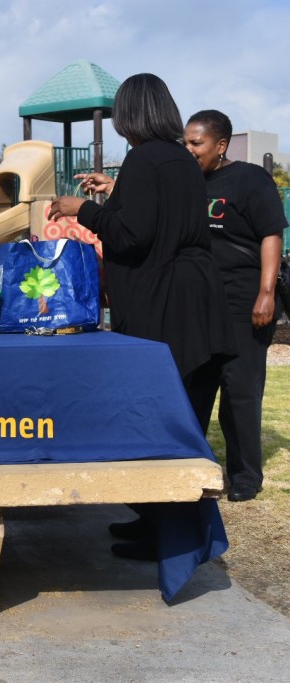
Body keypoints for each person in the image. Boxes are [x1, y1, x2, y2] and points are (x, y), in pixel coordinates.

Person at [49, 74, 232, 557]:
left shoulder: (146, 158)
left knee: (168, 422)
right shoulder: (178, 159)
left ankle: (173, 540)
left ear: (129, 115)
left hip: (171, 307)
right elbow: (154, 220)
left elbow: (132, 236)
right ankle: (154, 521)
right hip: (191, 301)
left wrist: (83, 209)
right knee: (174, 418)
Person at [182, 110, 287, 502]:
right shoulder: (186, 182)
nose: (189, 150)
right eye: (186, 143)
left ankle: (245, 476)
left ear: (220, 145)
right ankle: (189, 469)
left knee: (240, 391)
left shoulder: (248, 179)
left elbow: (271, 234)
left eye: (197, 143)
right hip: (199, 305)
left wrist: (266, 291)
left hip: (243, 299)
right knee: (195, 389)